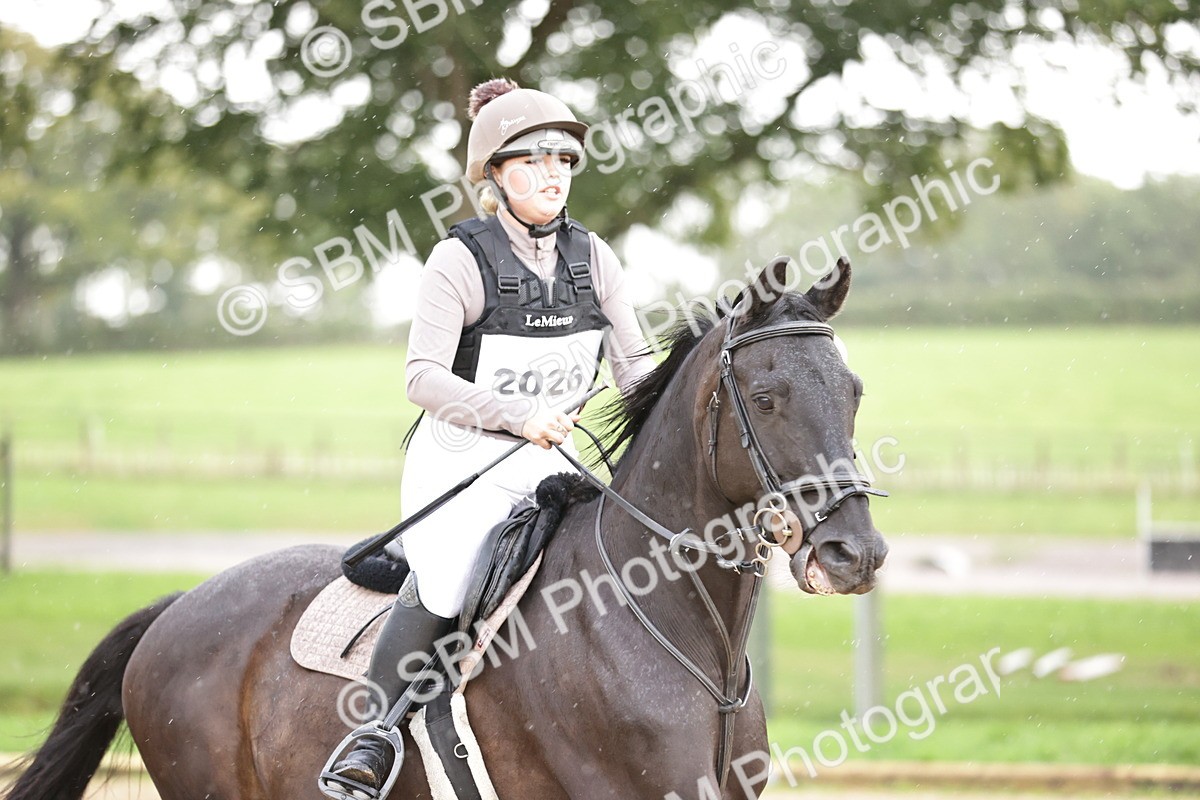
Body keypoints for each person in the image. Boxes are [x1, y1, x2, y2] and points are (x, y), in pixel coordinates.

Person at [320, 78, 656, 798]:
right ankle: (374, 734)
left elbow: (636, 372)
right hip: (460, 461)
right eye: (533, 162)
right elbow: (421, 378)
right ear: (495, 176)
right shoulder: (460, 260)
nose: (553, 177)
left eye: (564, 162)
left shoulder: (595, 259)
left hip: (557, 459)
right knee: (448, 577)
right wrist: (514, 415)